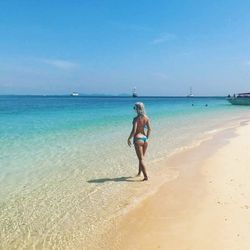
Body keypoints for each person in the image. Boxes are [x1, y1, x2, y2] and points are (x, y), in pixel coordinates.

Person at [127, 102, 151, 181]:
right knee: (141, 158)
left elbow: (134, 131)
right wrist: (147, 138)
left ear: (137, 109)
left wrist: (129, 138)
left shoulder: (135, 119)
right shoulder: (146, 118)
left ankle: (146, 176)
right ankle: (139, 173)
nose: (134, 110)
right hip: (145, 139)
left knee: (140, 159)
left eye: (135, 108)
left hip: (138, 139)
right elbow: (149, 129)